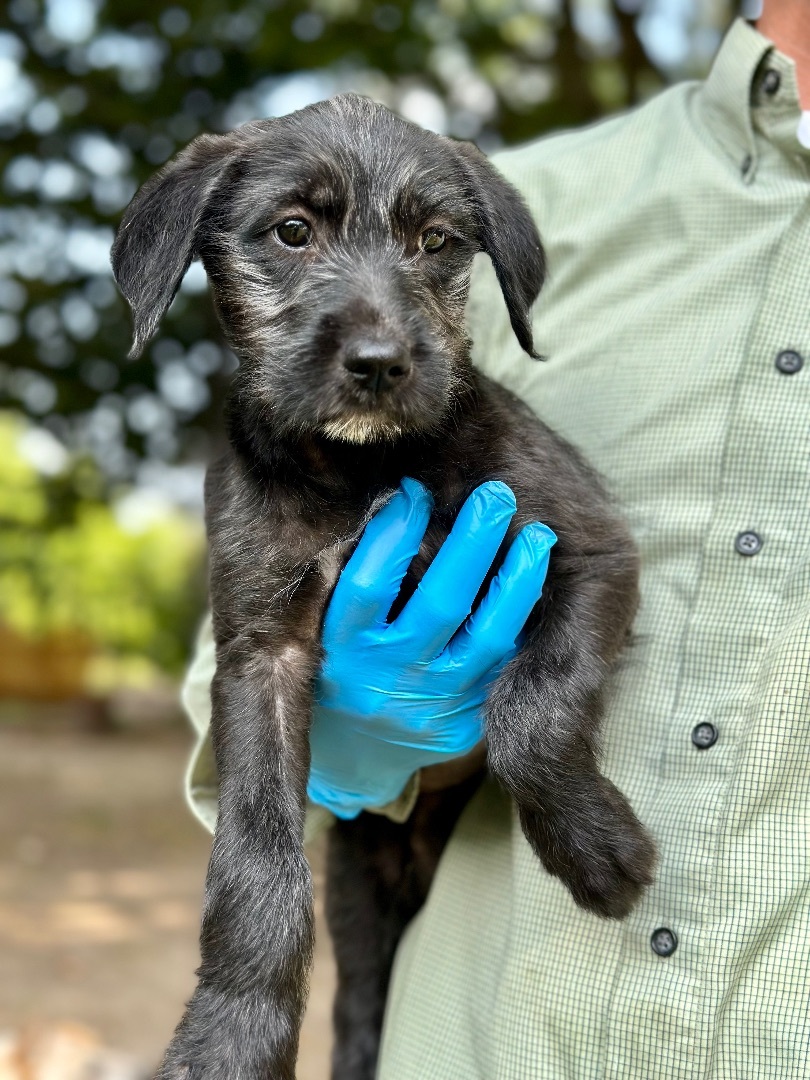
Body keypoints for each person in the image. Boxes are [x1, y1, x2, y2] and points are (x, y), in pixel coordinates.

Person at [182, 4, 810, 1075]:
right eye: (295, 234)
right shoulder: (551, 191)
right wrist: (354, 746)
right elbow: (242, 660)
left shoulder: (489, 227)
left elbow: (590, 556)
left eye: (435, 253)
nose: (380, 331)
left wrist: (533, 738)